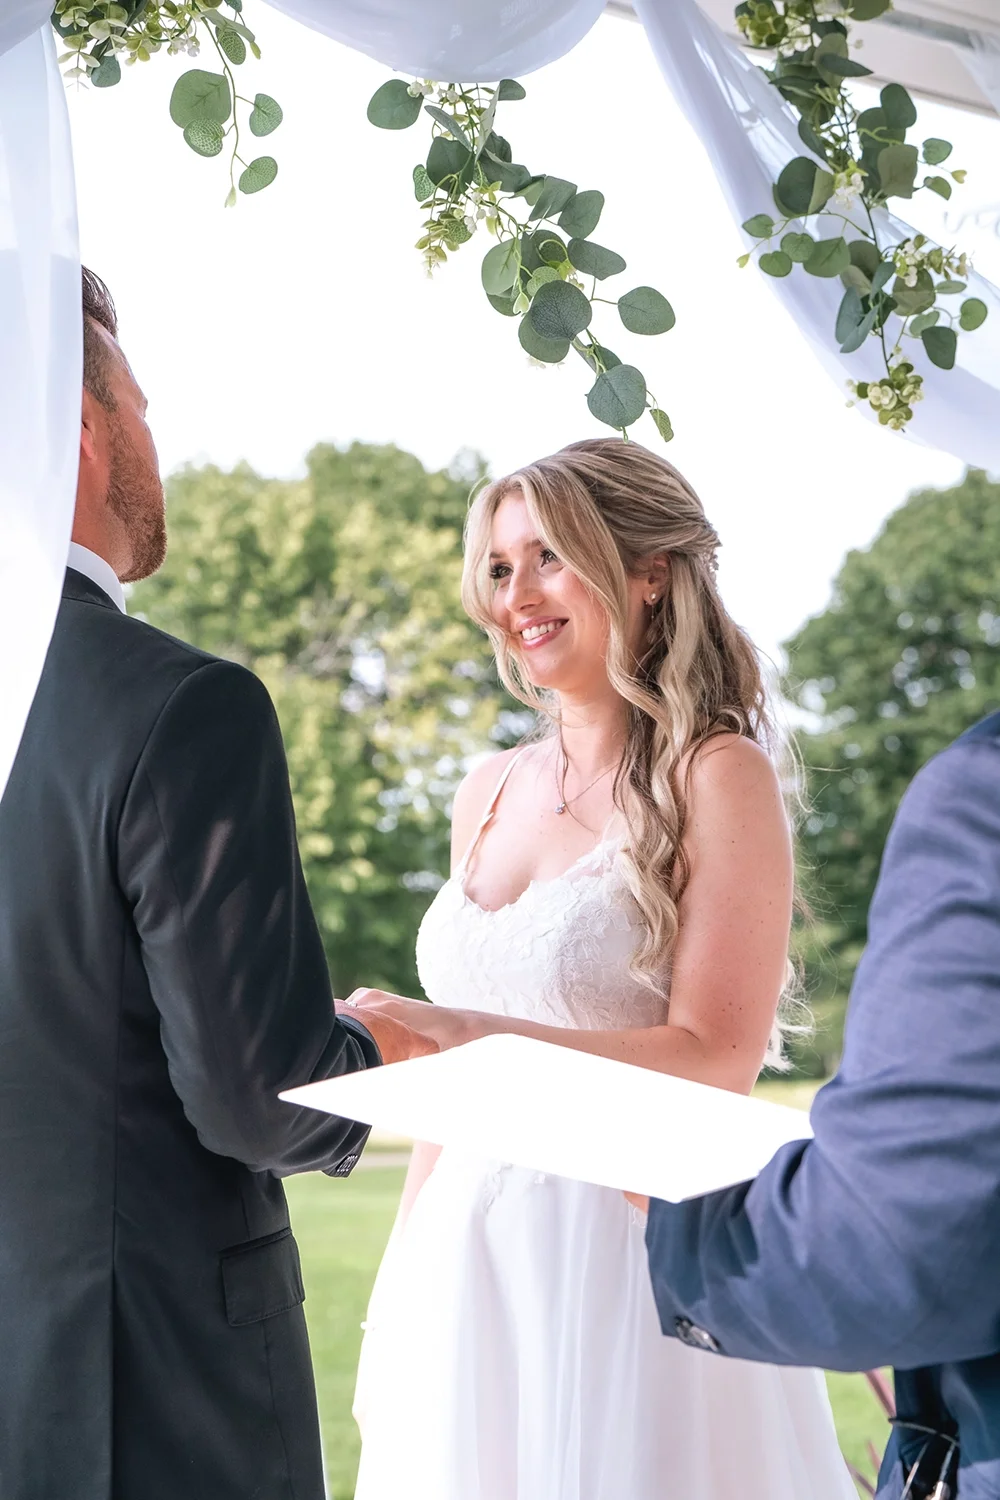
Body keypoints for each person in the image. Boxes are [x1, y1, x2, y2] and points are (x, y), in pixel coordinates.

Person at [346, 438, 856, 1500]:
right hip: (468, 1264)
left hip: (626, 1259)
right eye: (497, 567)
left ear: (646, 571)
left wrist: (464, 1036)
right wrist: (401, 1283)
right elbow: (447, 1107)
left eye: (547, 558)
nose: (515, 596)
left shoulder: (716, 775)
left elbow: (715, 1060)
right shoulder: (482, 790)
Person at [0, 268, 432, 1500]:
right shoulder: (181, 707)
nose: (152, 434)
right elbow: (259, 1101)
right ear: (85, 434)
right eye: (138, 404)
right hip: (154, 1395)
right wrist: (380, 1050)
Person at [634, 708, 1000, 1500]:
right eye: (492, 570)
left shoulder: (983, 792)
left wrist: (681, 1219)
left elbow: (899, 1244)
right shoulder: (488, 793)